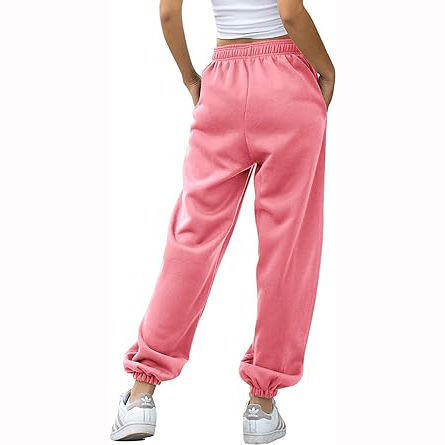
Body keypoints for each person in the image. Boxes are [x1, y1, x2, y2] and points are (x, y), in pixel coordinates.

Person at [110, 0, 334, 442]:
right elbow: (290, 12)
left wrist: (191, 79)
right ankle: (262, 405)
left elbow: (169, 14)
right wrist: (326, 70)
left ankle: (141, 394)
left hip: (223, 85)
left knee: (192, 239)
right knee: (287, 247)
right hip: (289, 84)